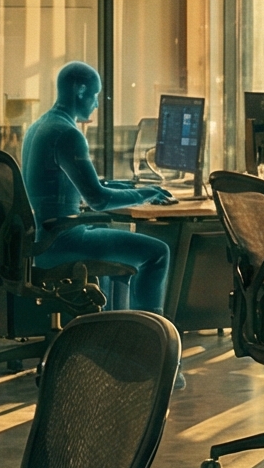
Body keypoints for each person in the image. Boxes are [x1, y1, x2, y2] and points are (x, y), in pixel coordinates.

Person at [20, 61, 173, 317]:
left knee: (116, 240)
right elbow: (98, 201)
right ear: (80, 90)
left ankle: (117, 323)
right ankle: (150, 334)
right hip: (62, 241)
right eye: (95, 95)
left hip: (40, 238)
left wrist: (126, 187)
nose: (97, 104)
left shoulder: (40, 126)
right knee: (158, 253)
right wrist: (146, 194)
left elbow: (68, 185)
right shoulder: (68, 135)